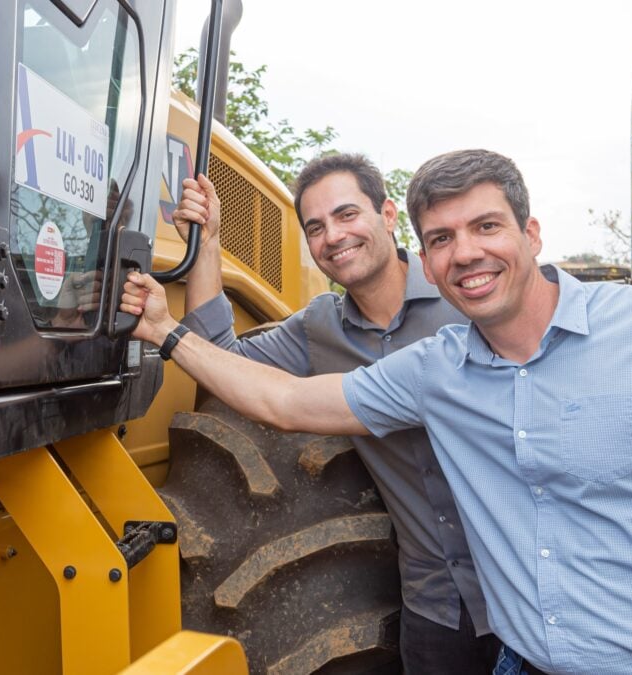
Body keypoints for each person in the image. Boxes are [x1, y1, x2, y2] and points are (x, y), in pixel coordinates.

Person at [125, 149, 632, 674]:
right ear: (431, 260)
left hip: (620, 638)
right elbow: (264, 389)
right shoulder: (424, 363)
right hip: (448, 607)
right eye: (315, 227)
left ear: (531, 234)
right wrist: (182, 294)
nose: (465, 254)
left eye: (486, 227)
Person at [170, 154, 498, 673]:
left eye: (347, 215)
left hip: (520, 586)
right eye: (316, 227)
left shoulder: (465, 297)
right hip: (435, 606)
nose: (334, 236)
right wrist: (207, 244)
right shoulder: (317, 329)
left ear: (387, 215)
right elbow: (219, 360)